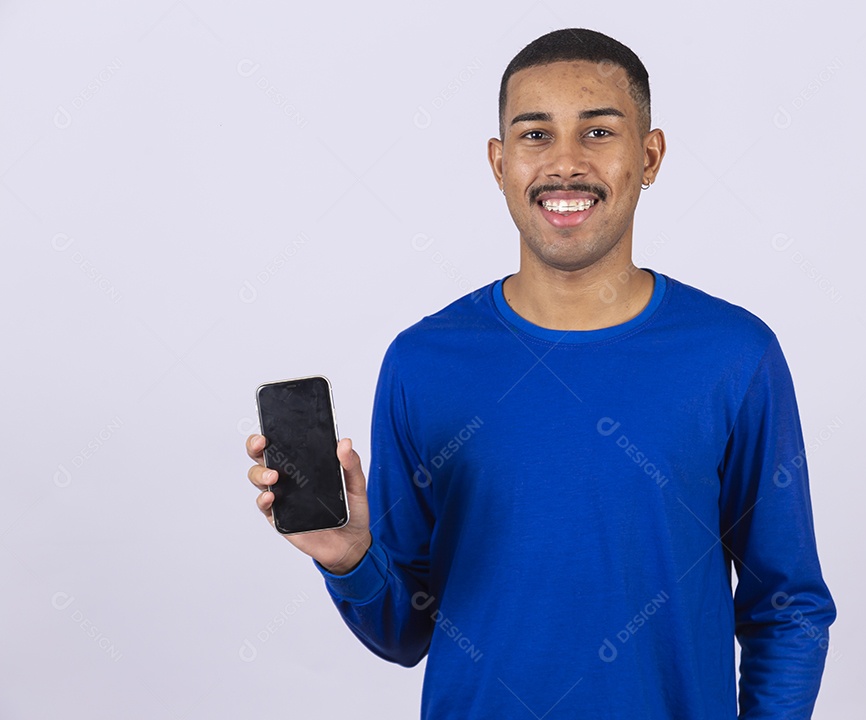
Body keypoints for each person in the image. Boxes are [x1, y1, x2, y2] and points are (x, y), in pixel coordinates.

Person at [245, 27, 836, 719]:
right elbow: (404, 633)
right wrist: (349, 557)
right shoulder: (423, 362)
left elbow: (786, 607)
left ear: (649, 156)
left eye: (597, 133)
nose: (564, 164)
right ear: (499, 163)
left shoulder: (735, 356)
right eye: (534, 135)